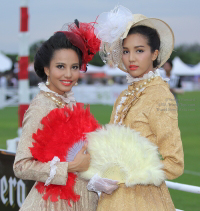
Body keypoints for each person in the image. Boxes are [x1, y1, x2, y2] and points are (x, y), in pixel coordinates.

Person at [90, 6, 184, 210]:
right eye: (126, 51)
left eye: (139, 50)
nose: (131, 58)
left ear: (154, 54)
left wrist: (131, 173)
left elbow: (174, 163)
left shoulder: (159, 95)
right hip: (111, 198)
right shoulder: (124, 95)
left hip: (143, 199)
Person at [13, 20, 100, 211]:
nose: (68, 74)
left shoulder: (68, 101)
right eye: (60, 66)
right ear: (46, 69)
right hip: (53, 203)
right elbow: (21, 166)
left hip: (82, 197)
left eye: (75, 67)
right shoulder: (41, 107)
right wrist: (70, 166)